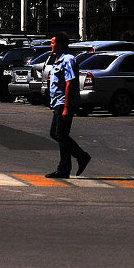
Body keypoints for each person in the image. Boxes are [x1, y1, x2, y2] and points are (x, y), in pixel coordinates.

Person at [44, 33, 90, 178]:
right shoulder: (57, 59)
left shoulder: (68, 59)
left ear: (60, 44)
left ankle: (65, 168)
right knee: (56, 134)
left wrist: (66, 107)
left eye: (53, 43)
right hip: (57, 101)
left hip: (64, 102)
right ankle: (80, 156)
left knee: (61, 135)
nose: (51, 46)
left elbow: (70, 83)